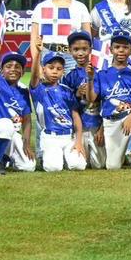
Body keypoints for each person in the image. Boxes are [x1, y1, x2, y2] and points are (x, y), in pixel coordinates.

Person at [88, 31, 131, 171]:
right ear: (111, 49)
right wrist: (90, 78)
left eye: (125, 47)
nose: (121, 50)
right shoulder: (102, 74)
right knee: (113, 166)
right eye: (117, 47)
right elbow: (91, 99)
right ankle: (125, 155)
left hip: (129, 118)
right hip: (110, 122)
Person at [28, 45, 87, 173]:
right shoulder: (39, 90)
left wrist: (78, 141)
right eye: (51, 68)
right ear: (43, 69)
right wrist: (37, 54)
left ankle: (65, 157)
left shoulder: (67, 91)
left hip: (68, 137)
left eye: (59, 69)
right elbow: (33, 77)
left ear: (63, 72)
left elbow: (76, 116)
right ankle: (52, 157)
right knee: (53, 168)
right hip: (50, 137)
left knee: (79, 166)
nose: (55, 71)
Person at [0, 48, 36, 176]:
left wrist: (26, 143)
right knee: (6, 124)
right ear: (2, 71)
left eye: (18, 67)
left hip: (12, 133)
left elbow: (27, 120)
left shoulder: (23, 91)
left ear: (22, 72)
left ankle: (5, 158)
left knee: (29, 165)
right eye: (8, 66)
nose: (13, 69)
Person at [31, 0, 92, 67]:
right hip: (47, 54)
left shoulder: (80, 7)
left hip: (73, 56)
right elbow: (34, 38)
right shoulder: (41, 7)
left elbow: (88, 39)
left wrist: (86, 63)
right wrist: (37, 65)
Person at [63, 32, 104, 168]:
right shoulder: (70, 77)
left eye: (84, 49)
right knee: (78, 163)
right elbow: (67, 106)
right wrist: (76, 94)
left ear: (90, 50)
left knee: (99, 165)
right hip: (79, 128)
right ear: (70, 51)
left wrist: (102, 129)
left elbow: (107, 103)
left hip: (96, 126)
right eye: (76, 49)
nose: (80, 53)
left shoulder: (100, 73)